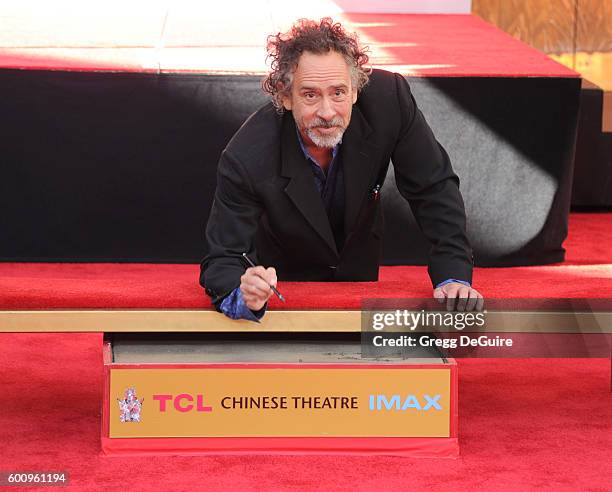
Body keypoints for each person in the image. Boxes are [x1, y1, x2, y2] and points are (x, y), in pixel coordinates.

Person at [200, 18, 483, 321]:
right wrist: (244, 295)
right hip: (288, 294)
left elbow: (433, 187)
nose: (326, 112)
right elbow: (224, 258)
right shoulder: (247, 155)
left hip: (362, 284)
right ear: (285, 97)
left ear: (356, 90)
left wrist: (453, 276)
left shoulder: (390, 101)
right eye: (310, 95)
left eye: (338, 93)